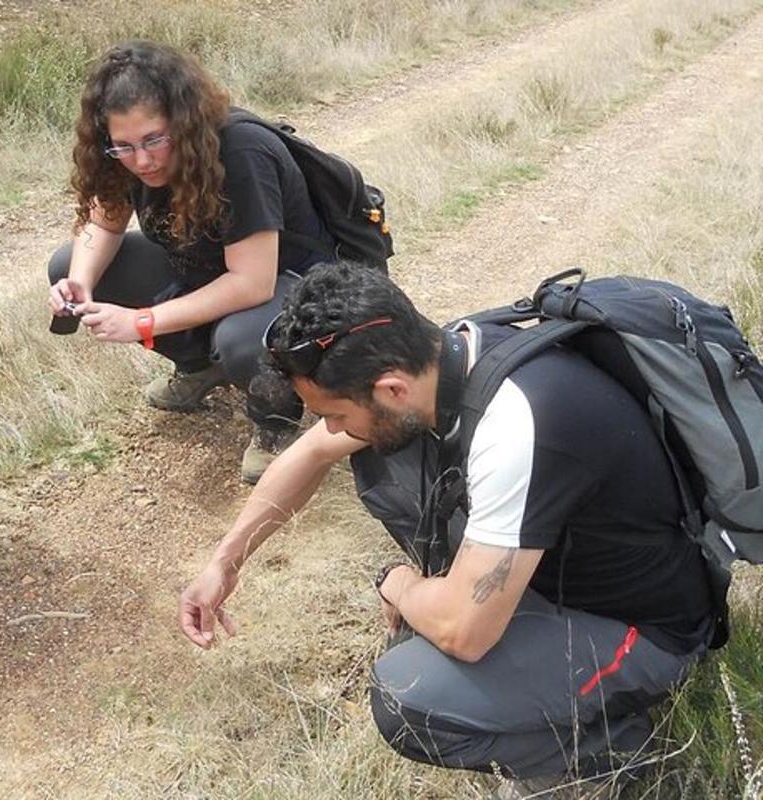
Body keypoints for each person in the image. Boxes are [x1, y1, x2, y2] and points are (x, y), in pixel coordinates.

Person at [179, 262, 720, 795]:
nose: (331, 429)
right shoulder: (446, 356)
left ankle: (612, 753)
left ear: (390, 388)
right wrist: (223, 563)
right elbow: (313, 452)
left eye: (336, 413)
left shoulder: (517, 426)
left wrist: (396, 582)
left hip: (643, 630)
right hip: (558, 577)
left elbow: (465, 630)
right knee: (382, 454)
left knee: (410, 699)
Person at [47, 40, 336, 483]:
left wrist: (144, 321)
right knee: (67, 263)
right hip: (212, 270)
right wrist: (79, 282)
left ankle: (275, 420)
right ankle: (202, 366)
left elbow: (252, 283)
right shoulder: (124, 159)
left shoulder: (240, 150)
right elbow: (103, 226)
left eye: (154, 140)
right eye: (123, 146)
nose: (141, 161)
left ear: (183, 122)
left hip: (297, 284)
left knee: (241, 337)